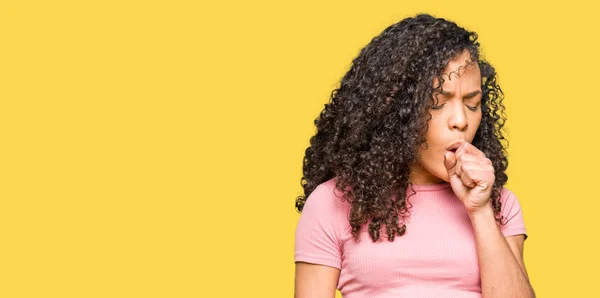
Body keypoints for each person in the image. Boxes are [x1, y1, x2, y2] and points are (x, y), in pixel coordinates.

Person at [294, 13, 535, 298]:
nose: (460, 121)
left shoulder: (498, 203)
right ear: (396, 108)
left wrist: (481, 211)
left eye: (472, 104)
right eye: (438, 103)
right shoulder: (332, 203)